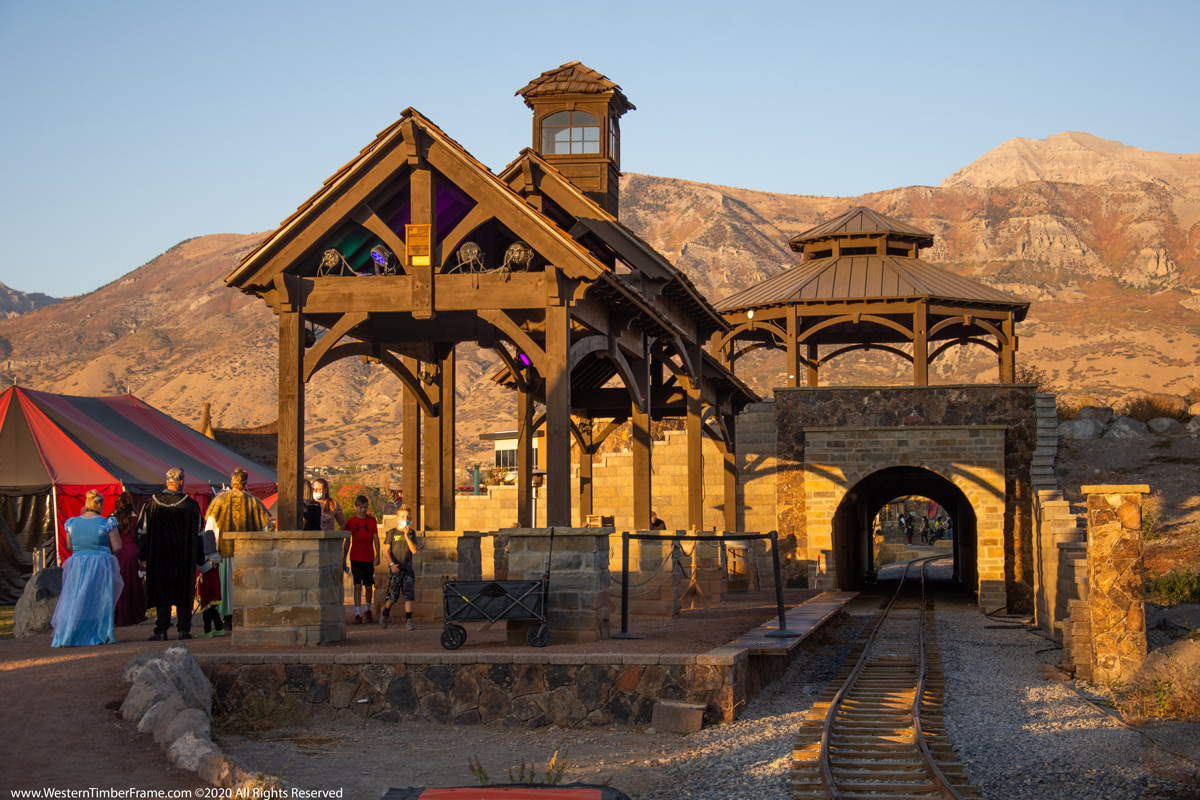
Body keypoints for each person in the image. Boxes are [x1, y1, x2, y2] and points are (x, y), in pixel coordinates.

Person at [52, 489, 124, 647]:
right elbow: (117, 546)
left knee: (76, 598)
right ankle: (99, 632)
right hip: (100, 563)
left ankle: (72, 632)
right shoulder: (107, 522)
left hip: (78, 564)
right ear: (98, 504)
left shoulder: (71, 523)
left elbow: (70, 545)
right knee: (100, 598)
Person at [205, 467, 271, 632]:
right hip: (249, 553)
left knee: (227, 586)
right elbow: (265, 529)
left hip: (225, 552)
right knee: (246, 586)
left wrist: (210, 553)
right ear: (245, 483)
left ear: (232, 481)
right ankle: (247, 617)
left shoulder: (219, 501)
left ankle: (228, 619)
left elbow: (210, 529)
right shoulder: (254, 502)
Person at [140, 467, 202, 641]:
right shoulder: (190, 505)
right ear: (181, 482)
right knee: (182, 592)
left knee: (162, 592)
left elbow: (143, 531)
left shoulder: (151, 503)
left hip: (160, 557)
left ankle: (161, 629)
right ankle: (183, 629)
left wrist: (143, 555)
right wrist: (199, 558)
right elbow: (198, 534)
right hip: (182, 558)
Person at [342, 494, 380, 624]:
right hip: (356, 557)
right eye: (360, 507)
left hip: (368, 557)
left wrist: (377, 554)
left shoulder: (372, 520)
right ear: (355, 507)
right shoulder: (351, 522)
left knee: (368, 586)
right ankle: (357, 612)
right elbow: (347, 541)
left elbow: (375, 538)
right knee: (357, 585)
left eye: (365, 508)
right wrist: (344, 557)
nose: (362, 510)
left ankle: (368, 609)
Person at [379, 504, 418, 630]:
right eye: (402, 517)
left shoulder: (411, 533)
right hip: (396, 569)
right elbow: (386, 551)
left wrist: (406, 536)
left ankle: (409, 620)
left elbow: (414, 550)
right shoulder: (391, 533)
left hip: (407, 569)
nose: (405, 519)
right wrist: (391, 565)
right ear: (397, 518)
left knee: (409, 595)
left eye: (407, 517)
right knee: (392, 596)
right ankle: (385, 613)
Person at [112, 491, 146, 627]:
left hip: (118, 553)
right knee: (133, 583)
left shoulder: (112, 517)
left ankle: (119, 614)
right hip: (133, 551)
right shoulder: (136, 517)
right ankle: (135, 614)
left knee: (119, 583)